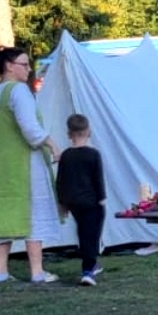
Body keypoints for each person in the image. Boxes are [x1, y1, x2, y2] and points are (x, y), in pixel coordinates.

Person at [0, 45, 62, 285]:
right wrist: (52, 144)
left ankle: (1, 272)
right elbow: (30, 129)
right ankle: (37, 271)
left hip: (1, 164)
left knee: (3, 213)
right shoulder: (18, 91)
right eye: (24, 64)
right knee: (33, 213)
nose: (28, 70)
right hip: (25, 162)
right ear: (9, 66)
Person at [56, 114, 106, 286]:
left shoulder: (66, 156)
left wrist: (62, 202)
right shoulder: (93, 154)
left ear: (69, 134)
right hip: (91, 202)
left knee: (83, 232)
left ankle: (93, 264)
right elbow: (98, 179)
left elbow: (60, 180)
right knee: (91, 235)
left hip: (73, 202)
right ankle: (88, 270)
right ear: (88, 132)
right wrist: (101, 198)